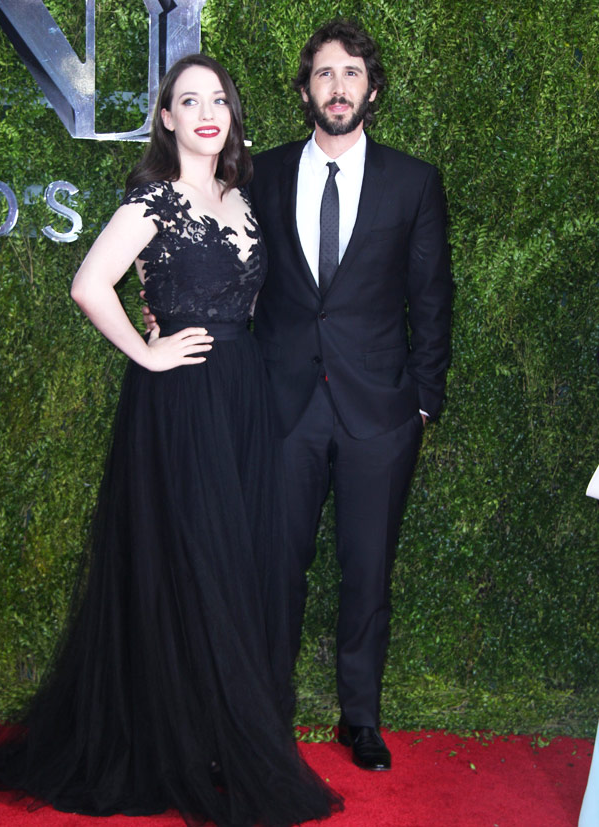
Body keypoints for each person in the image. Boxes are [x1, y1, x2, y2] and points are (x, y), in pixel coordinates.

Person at [0, 54, 341, 827]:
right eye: (189, 100)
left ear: (231, 114)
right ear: (167, 118)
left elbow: (241, 296)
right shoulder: (153, 199)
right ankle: (176, 740)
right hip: (179, 401)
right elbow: (88, 283)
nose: (207, 112)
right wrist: (147, 351)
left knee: (233, 566)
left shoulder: (239, 196)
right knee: (191, 564)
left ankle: (209, 735)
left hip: (241, 398)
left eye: (218, 99)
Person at [249, 21, 453, 772]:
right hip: (283, 408)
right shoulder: (262, 174)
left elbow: (432, 298)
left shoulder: (413, 181)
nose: (338, 87)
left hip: (381, 413)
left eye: (353, 73)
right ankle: (263, 717)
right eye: (325, 74)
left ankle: (360, 717)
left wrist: (422, 402)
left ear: (372, 89)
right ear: (306, 91)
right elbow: (239, 277)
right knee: (275, 571)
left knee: (368, 572)